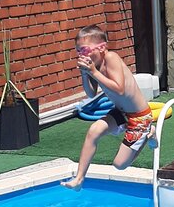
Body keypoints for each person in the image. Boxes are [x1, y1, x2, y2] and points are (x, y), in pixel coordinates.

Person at [62, 25, 156, 191]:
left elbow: (119, 89)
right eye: (78, 51)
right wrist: (85, 73)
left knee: (119, 165)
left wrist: (93, 72)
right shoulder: (94, 65)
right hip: (121, 113)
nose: (81, 55)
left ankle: (149, 133)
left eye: (85, 50)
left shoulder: (111, 57)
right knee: (93, 131)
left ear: (101, 47)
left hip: (139, 116)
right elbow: (91, 93)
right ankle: (79, 179)